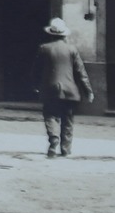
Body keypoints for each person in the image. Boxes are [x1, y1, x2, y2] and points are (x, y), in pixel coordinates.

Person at [34, 17, 93, 158]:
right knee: (68, 119)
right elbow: (81, 72)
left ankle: (53, 140)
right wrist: (88, 91)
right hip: (70, 91)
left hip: (50, 90)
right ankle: (65, 149)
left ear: (51, 34)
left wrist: (36, 86)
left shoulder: (44, 48)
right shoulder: (72, 49)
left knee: (50, 115)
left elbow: (36, 70)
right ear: (64, 34)